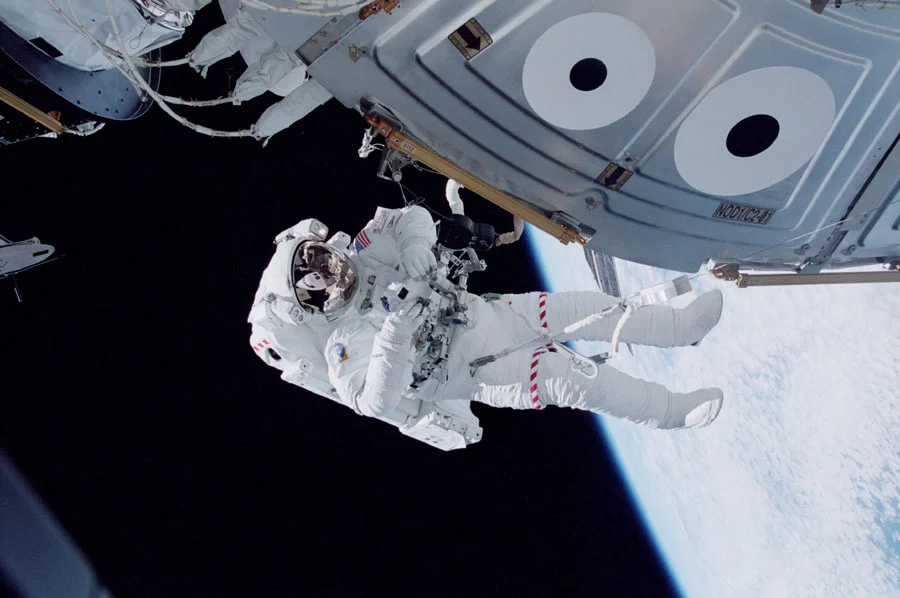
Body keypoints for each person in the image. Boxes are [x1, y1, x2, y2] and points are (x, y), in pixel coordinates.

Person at [248, 204, 725, 446]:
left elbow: (406, 217)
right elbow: (374, 402)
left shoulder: (366, 255)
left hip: (491, 313)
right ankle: (670, 412)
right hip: (481, 369)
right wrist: (393, 339)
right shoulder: (342, 346)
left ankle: (681, 328)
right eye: (313, 278)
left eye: (319, 258)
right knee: (580, 380)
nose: (329, 270)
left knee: (592, 305)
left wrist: (416, 247)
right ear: (310, 304)